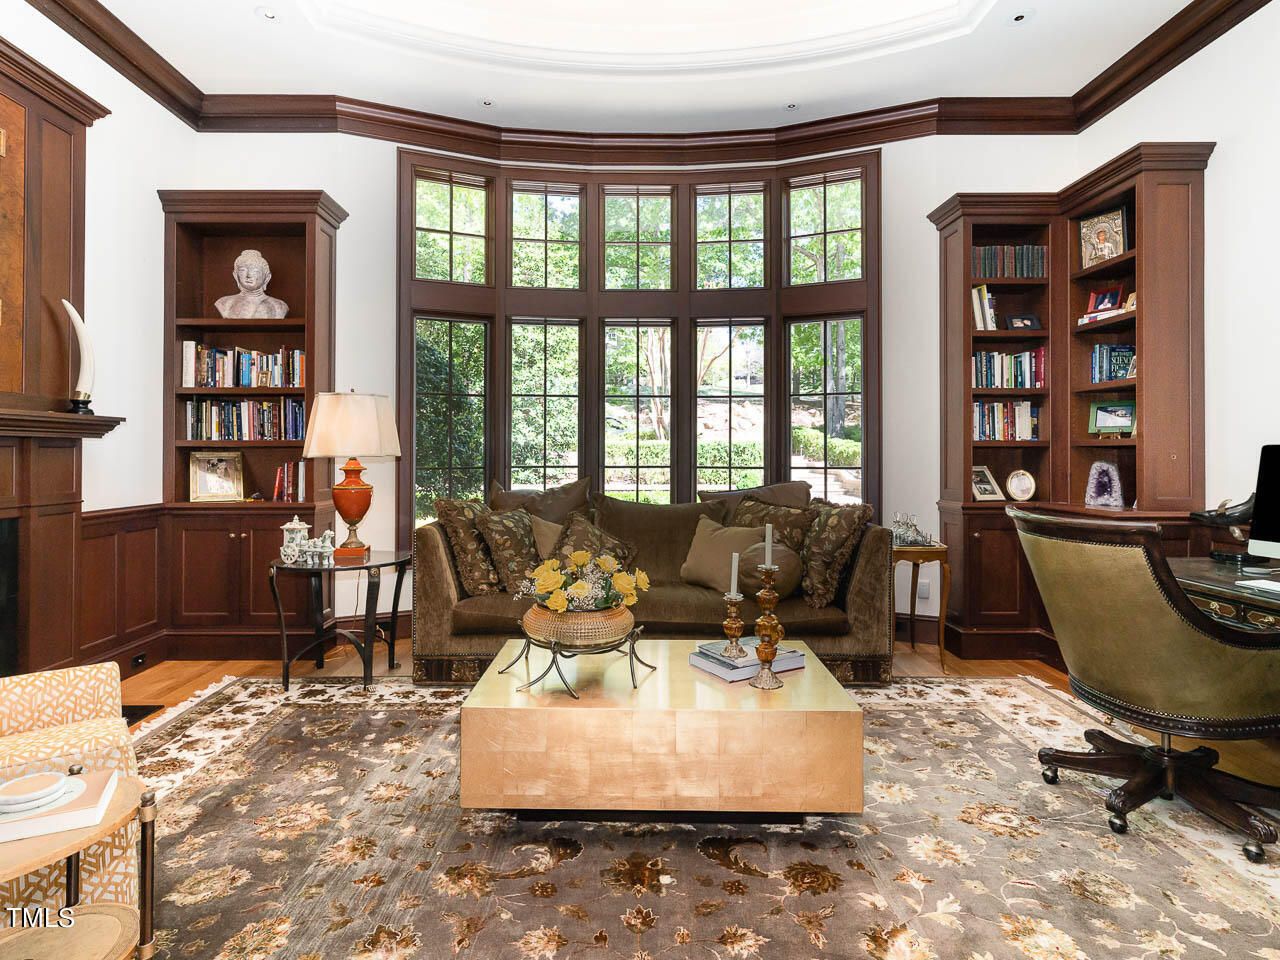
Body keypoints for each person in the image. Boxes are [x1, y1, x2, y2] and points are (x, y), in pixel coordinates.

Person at [215, 249, 289, 319]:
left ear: (267, 277)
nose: (248, 275)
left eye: (255, 271)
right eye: (242, 270)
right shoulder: (225, 303)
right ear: (235, 275)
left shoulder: (279, 306)